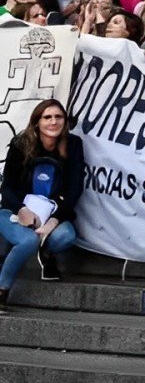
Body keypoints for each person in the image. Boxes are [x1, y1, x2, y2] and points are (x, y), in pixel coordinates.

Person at [0, 100, 84, 307]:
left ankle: (45, 253)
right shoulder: (21, 144)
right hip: (15, 210)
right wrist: (22, 210)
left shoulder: (73, 145)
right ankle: (2, 290)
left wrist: (54, 221)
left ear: (65, 121)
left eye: (59, 117)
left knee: (66, 236)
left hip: (52, 213)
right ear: (37, 122)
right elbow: (7, 188)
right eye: (47, 117)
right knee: (28, 240)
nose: (53, 122)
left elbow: (75, 188)